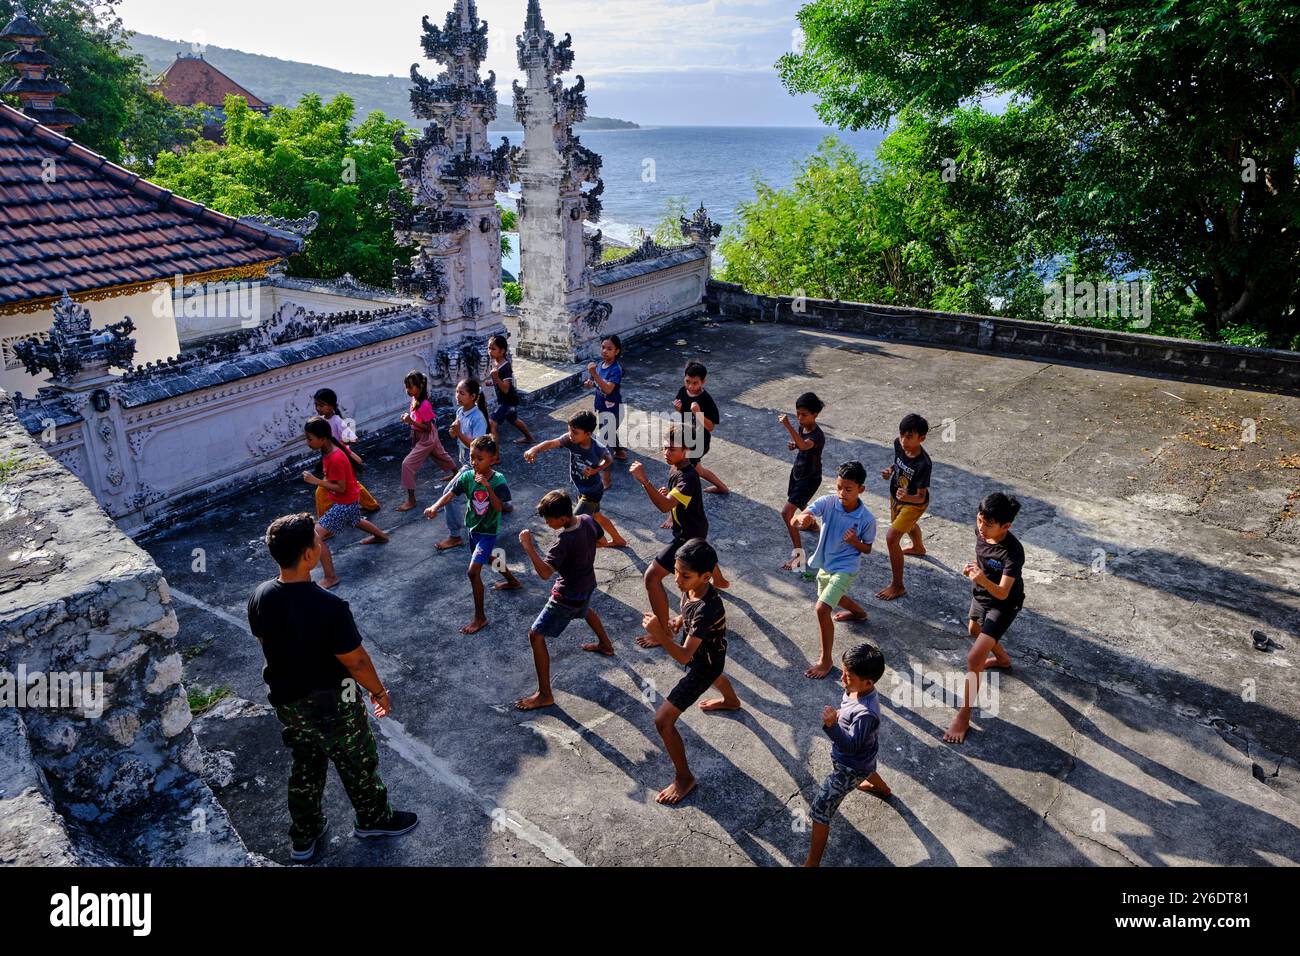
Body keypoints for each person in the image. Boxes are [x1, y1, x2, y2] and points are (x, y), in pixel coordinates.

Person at [247, 513, 418, 863]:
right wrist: (379, 691)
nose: (322, 542)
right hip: (334, 701)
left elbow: (265, 640)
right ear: (308, 555)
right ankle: (374, 819)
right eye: (317, 540)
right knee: (357, 761)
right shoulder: (329, 607)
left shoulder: (261, 595)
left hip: (288, 700)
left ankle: (303, 835)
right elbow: (354, 661)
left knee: (306, 763)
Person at [641, 538, 741, 804]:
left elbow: (684, 654)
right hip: (710, 657)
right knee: (716, 674)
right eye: (675, 571)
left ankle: (684, 778)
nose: (676, 579)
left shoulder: (708, 608)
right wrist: (678, 620)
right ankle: (731, 701)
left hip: (702, 664)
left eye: (684, 575)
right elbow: (688, 610)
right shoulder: (692, 589)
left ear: (706, 576)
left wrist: (660, 635)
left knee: (662, 720)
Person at [514, 489, 615, 711]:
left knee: (535, 635)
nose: (547, 523)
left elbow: (544, 573)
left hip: (567, 596)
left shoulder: (563, 541)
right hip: (587, 584)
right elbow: (603, 541)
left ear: (562, 518)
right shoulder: (587, 520)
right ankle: (606, 645)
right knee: (585, 610)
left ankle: (544, 694)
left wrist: (528, 546)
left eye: (549, 520)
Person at [629, 427, 729, 645]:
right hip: (693, 530)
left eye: (672, 449)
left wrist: (645, 482)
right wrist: (668, 495)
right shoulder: (676, 467)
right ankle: (718, 579)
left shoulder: (688, 477)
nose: (666, 452)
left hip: (689, 537)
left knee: (652, 577)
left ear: (687, 450)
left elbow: (664, 506)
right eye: (665, 447)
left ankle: (663, 632)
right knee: (694, 578)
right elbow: (674, 501)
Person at [946, 492, 1023, 744]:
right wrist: (975, 572)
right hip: (981, 595)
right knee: (973, 630)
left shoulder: (1013, 552)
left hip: (1004, 604)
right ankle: (1002, 659)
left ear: (1006, 526)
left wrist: (981, 578)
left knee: (975, 656)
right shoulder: (980, 531)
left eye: (988, 524)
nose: (981, 527)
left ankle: (963, 717)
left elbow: (1002, 592)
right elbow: (983, 560)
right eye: (979, 519)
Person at [804, 642, 890, 867]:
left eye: (848, 676)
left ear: (868, 682)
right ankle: (883, 789)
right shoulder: (857, 689)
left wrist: (832, 725)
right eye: (843, 672)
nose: (842, 679)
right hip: (864, 759)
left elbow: (851, 746)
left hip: (850, 766)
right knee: (868, 770)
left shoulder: (866, 714)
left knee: (820, 811)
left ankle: (812, 863)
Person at [425, 435, 521, 633]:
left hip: (488, 531)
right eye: (472, 457)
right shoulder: (467, 476)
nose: (475, 463)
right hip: (473, 529)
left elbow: (499, 507)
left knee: (472, 572)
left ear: (493, 459)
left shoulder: (498, 480)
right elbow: (451, 494)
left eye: (480, 459)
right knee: (489, 557)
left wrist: (487, 486)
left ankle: (480, 617)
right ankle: (513, 581)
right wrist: (435, 506)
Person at [791, 461, 876, 679]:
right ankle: (859, 613)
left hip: (846, 568)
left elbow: (867, 548)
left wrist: (855, 542)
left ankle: (826, 660)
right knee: (829, 596)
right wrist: (803, 519)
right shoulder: (828, 502)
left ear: (861, 489)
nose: (842, 493)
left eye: (848, 489)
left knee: (821, 609)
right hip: (825, 564)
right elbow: (798, 518)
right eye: (839, 487)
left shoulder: (866, 519)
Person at [301, 418, 388, 589]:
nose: (307, 443)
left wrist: (316, 481)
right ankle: (381, 536)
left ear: (323, 438)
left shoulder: (335, 457)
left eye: (310, 439)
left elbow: (340, 488)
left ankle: (331, 577)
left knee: (315, 536)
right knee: (355, 520)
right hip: (348, 500)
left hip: (344, 502)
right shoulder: (328, 452)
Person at [523, 410, 628, 548]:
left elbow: (609, 460)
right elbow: (551, 443)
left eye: (575, 432)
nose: (571, 435)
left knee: (572, 523)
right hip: (582, 488)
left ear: (588, 434)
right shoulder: (570, 440)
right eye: (569, 430)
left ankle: (599, 541)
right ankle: (618, 539)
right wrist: (535, 449)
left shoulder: (597, 448)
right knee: (597, 516)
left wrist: (595, 470)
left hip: (592, 491)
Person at [876, 413, 932, 601]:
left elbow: (921, 496)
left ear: (921, 438)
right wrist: (889, 470)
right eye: (901, 435)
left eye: (909, 437)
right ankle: (918, 548)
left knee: (892, 538)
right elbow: (898, 462)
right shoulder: (898, 445)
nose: (903, 440)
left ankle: (898, 586)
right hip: (896, 497)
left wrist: (908, 496)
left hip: (913, 504)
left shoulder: (924, 463)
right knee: (904, 525)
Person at [435, 378, 491, 551]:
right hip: (464, 461)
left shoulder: (478, 418)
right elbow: (457, 435)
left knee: (450, 495)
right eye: (457, 392)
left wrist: (458, 433)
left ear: (473, 396)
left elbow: (478, 448)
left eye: (462, 393)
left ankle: (455, 536)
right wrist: (454, 433)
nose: (457, 395)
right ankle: (502, 505)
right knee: (474, 494)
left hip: (472, 464)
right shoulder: (460, 411)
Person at [396, 370, 457, 513]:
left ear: (420, 387)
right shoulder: (415, 399)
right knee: (440, 454)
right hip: (425, 435)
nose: (407, 390)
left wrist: (411, 421)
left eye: (410, 387)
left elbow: (427, 427)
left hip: (426, 437)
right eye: (406, 386)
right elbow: (419, 420)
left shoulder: (424, 404)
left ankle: (411, 501)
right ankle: (456, 473)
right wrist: (410, 419)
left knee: (407, 465)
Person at [312, 388, 380, 514]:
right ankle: (371, 504)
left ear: (331, 406)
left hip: (338, 458)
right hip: (330, 458)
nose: (318, 408)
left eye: (321, 405)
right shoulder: (321, 420)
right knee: (350, 484)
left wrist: (343, 441)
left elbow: (353, 439)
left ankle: (324, 524)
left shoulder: (337, 421)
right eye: (316, 405)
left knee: (322, 491)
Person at [779, 392, 826, 571]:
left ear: (815, 414)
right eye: (797, 414)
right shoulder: (803, 428)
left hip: (809, 478)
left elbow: (806, 445)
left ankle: (799, 556)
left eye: (804, 415)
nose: (799, 418)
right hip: (798, 473)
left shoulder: (818, 435)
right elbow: (801, 444)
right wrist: (794, 444)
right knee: (799, 502)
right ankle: (813, 524)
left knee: (786, 513)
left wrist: (788, 426)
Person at [674, 360, 730, 495]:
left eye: (695, 383)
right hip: (686, 436)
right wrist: (679, 409)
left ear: (703, 382)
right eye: (687, 381)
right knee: (696, 469)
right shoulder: (683, 391)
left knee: (687, 467)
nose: (690, 386)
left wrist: (698, 413)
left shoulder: (706, 400)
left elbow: (710, 427)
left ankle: (680, 494)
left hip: (700, 440)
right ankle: (722, 487)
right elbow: (685, 415)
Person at [585, 334, 626, 488]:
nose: (605, 351)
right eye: (603, 347)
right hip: (602, 407)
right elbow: (598, 384)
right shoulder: (601, 365)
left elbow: (608, 389)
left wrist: (594, 375)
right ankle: (621, 452)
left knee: (604, 445)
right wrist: (591, 382)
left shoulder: (616, 369)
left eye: (609, 349)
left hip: (613, 409)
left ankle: (606, 479)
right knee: (609, 432)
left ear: (616, 351)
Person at [488, 334, 535, 446]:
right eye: (489, 348)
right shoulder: (496, 362)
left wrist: (496, 378)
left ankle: (495, 455)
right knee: (513, 420)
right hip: (508, 400)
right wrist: (492, 382)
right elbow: (501, 383)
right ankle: (529, 438)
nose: (490, 351)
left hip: (507, 401)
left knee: (492, 424)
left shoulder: (505, 367)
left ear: (502, 351)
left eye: (493, 349)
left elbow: (505, 389)